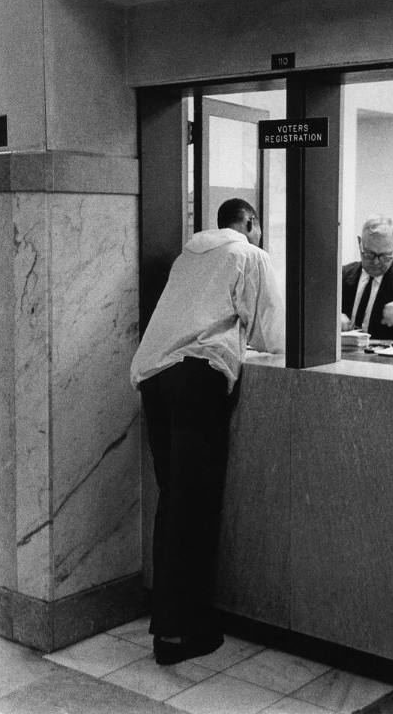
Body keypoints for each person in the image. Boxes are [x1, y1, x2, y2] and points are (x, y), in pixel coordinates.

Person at [130, 198, 284, 665]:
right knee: (193, 506)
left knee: (173, 499)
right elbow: (271, 335)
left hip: (153, 375)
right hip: (198, 378)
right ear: (251, 223)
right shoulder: (249, 255)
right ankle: (180, 634)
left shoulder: (188, 255)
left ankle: (166, 624)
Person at [341, 215, 393, 341]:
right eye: (369, 254)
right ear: (359, 242)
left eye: (385, 255)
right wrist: (329, 317)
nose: (376, 262)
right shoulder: (339, 276)